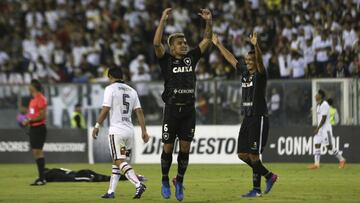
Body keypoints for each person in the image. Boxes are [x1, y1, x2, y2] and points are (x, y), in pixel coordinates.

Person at [153, 8, 212, 201]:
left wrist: (208, 22)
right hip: (171, 110)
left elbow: (206, 40)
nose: (184, 45)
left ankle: (179, 181)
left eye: (185, 42)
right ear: (171, 47)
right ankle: (164, 180)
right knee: (168, 148)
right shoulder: (166, 60)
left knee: (185, 149)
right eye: (180, 43)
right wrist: (162, 20)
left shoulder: (191, 59)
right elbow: (156, 43)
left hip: (188, 111)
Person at [212, 32, 278, 197]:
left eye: (251, 60)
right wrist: (219, 44)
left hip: (259, 116)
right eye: (247, 60)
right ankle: (269, 176)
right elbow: (232, 59)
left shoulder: (261, 74)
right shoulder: (244, 73)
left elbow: (261, 62)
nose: (248, 62)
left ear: (256, 61)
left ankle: (256, 190)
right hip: (247, 117)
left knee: (254, 155)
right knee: (243, 154)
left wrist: (256, 46)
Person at [91, 67, 149, 199]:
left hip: (116, 132)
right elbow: (139, 111)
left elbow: (106, 109)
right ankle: (111, 191)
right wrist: (144, 131)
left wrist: (97, 125)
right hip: (129, 132)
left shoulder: (110, 89)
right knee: (117, 161)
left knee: (118, 160)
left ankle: (138, 184)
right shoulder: (132, 90)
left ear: (110, 76)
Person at [308, 90, 346, 169]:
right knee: (317, 144)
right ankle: (316, 164)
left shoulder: (325, 105)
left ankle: (342, 159)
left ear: (321, 96)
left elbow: (324, 118)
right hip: (320, 129)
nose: (315, 96)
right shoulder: (318, 105)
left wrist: (318, 128)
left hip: (326, 129)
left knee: (329, 147)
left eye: (317, 94)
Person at [22, 79, 48, 186]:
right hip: (33, 128)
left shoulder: (40, 98)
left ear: (33, 87)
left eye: (29, 85)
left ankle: (42, 178)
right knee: (36, 152)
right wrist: (25, 119)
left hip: (39, 128)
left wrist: (30, 120)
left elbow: (43, 115)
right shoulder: (32, 100)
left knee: (38, 152)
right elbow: (31, 114)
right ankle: (41, 178)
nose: (28, 87)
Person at [44, 167, 147, 183]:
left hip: (82, 175)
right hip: (83, 171)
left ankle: (135, 177)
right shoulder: (55, 169)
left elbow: (73, 179)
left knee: (106, 178)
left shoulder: (51, 173)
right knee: (109, 177)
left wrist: (87, 179)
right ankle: (136, 177)